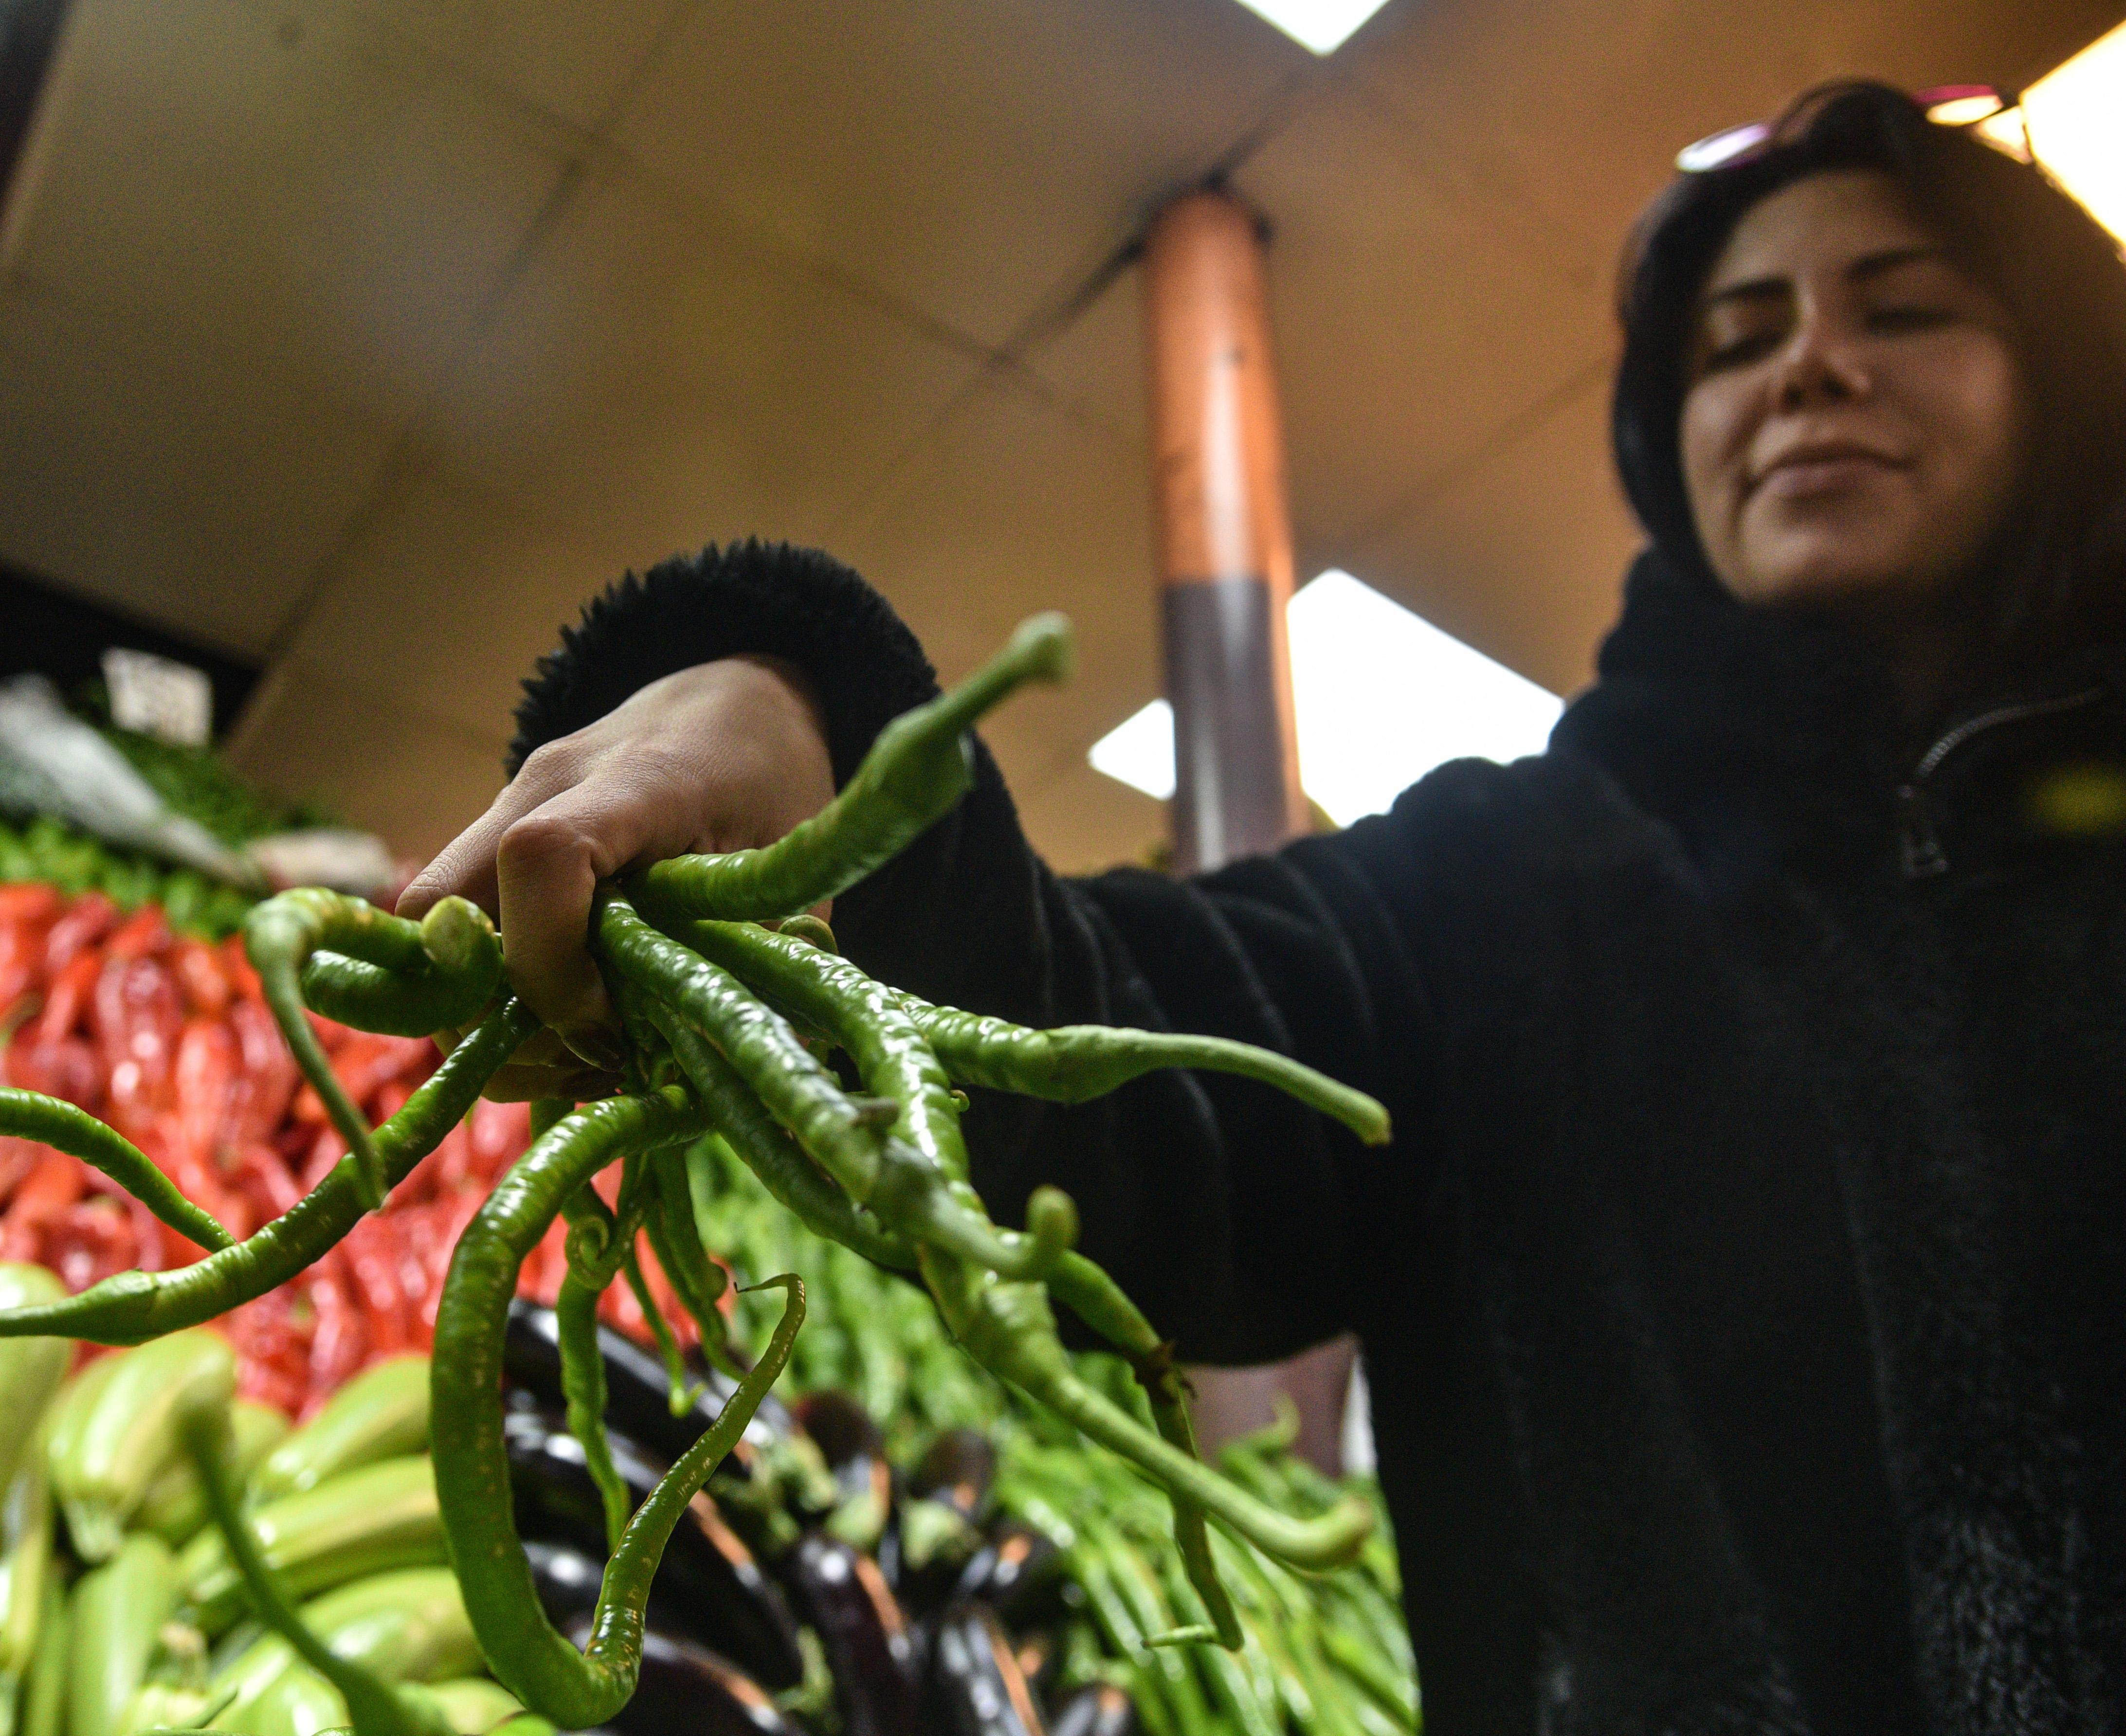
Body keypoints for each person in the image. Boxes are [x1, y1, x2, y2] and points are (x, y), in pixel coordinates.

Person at [400, 83, 2126, 1732]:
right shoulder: (1501, 878)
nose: (1809, 368)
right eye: (1736, 342)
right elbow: (1122, 1068)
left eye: (1900, 312)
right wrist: (830, 740)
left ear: (2062, 372)